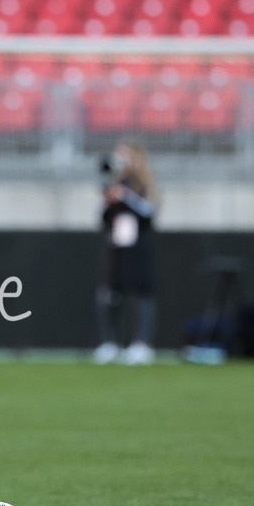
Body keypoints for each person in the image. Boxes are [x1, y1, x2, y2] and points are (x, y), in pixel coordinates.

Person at [93, 141, 158, 365]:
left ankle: (142, 343)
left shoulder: (143, 185)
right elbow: (101, 215)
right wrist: (108, 197)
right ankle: (111, 343)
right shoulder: (114, 184)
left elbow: (150, 211)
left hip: (138, 250)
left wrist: (125, 196)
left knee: (141, 295)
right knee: (110, 294)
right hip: (116, 250)